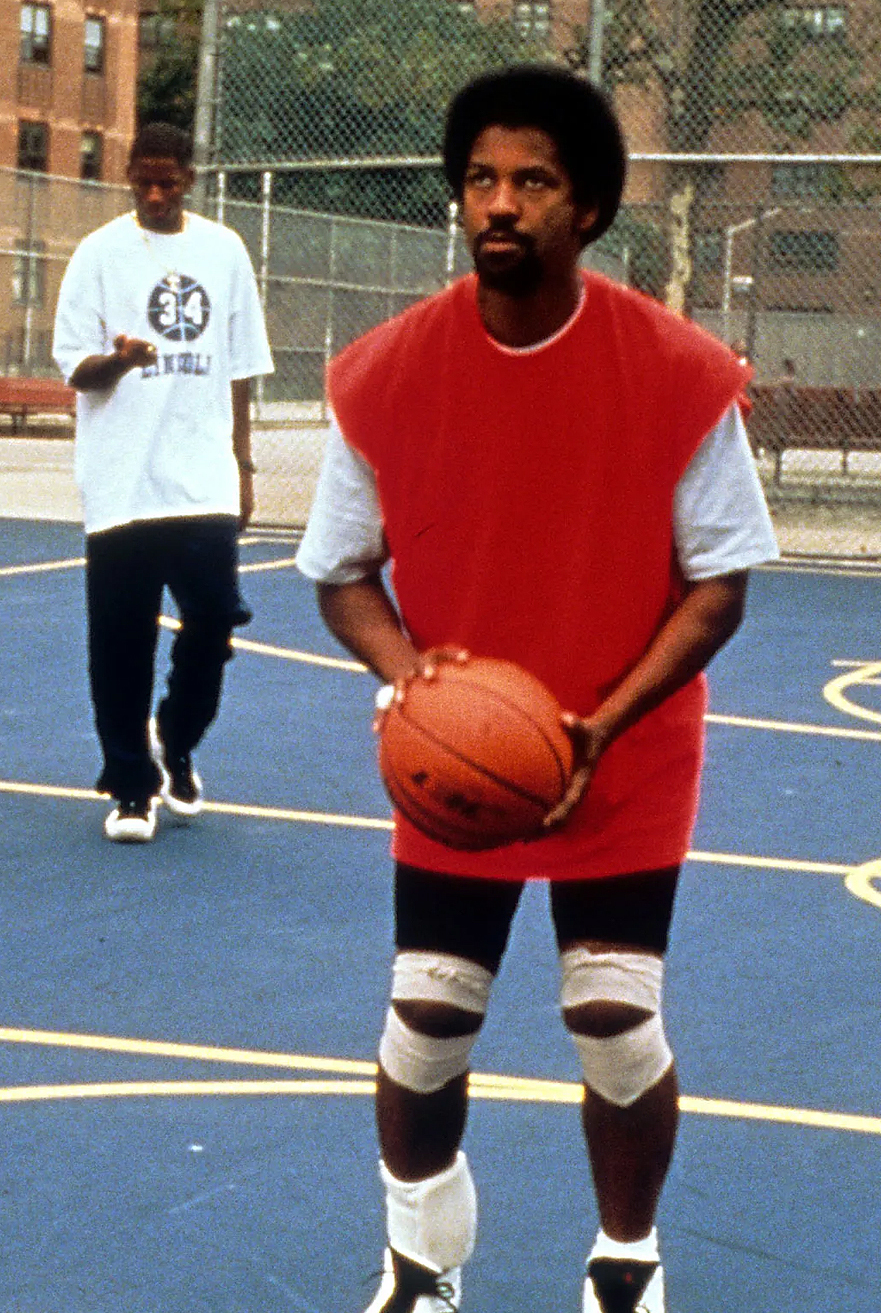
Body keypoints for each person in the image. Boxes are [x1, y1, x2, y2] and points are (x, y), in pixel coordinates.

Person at [296, 65, 778, 1313]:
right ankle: (420, 1261)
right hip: (463, 756)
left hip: (622, 755)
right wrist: (411, 681)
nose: (498, 204)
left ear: (589, 211)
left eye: (532, 181)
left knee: (613, 1025)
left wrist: (597, 728)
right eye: (479, 180)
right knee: (426, 1021)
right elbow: (339, 573)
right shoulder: (386, 372)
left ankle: (625, 1260)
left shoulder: (675, 371)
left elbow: (717, 583)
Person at [51, 122, 275, 843]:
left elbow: (241, 366)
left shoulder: (224, 250)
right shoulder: (98, 255)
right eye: (142, 180)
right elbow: (76, 371)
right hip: (121, 482)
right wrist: (118, 360)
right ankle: (130, 787)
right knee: (119, 642)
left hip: (201, 477)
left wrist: (241, 465)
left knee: (213, 620)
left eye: (167, 180)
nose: (154, 193)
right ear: (126, 175)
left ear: (188, 177)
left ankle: (175, 735)